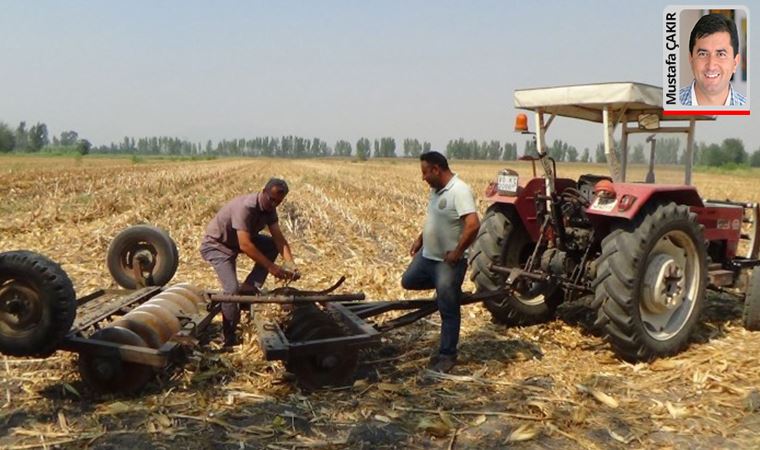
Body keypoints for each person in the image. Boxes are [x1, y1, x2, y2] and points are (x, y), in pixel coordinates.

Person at [401, 151, 480, 373]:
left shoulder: (460, 190)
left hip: (447, 262)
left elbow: (473, 224)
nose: (423, 177)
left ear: (436, 169)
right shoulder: (436, 191)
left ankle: (447, 355)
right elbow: (433, 220)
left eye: (425, 172)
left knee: (448, 309)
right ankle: (449, 290)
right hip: (428, 256)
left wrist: (457, 252)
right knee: (408, 281)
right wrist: (420, 239)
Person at [200, 178, 299, 347]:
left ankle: (249, 287)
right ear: (263, 191)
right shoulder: (246, 207)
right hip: (218, 245)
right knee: (231, 291)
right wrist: (272, 267)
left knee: (270, 246)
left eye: (278, 202)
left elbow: (279, 240)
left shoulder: (270, 209)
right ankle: (229, 338)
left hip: (236, 242)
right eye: (271, 199)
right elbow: (245, 245)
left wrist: (290, 264)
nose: (274, 204)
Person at [679, 13, 746, 106]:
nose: (711, 66)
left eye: (721, 54)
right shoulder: (666, 106)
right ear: (691, 59)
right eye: (703, 54)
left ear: (735, 62)